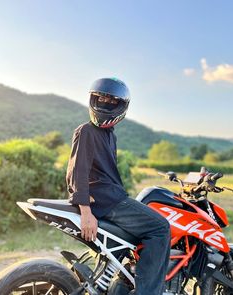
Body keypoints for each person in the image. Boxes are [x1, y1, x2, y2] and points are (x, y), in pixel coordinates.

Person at [66, 77, 170, 295]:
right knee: (160, 228)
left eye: (110, 100)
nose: (104, 103)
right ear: (93, 100)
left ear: (120, 106)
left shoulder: (109, 136)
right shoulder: (86, 130)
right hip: (105, 200)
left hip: (111, 197)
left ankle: (122, 283)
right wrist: (85, 211)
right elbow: (78, 172)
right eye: (100, 98)